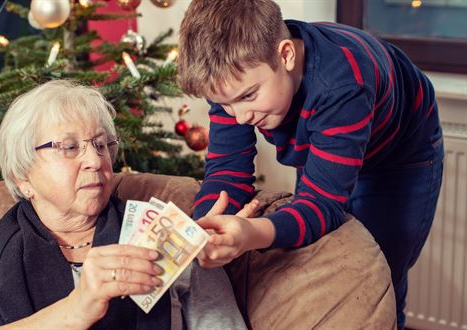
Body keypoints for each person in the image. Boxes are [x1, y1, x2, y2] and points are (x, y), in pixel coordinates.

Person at [178, 1, 444, 328]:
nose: (240, 117)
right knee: (321, 252)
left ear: (286, 55)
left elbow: (321, 203)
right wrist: (202, 227)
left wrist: (250, 234)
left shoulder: (343, 83)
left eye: (249, 97)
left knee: (383, 271)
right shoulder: (231, 80)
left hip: (401, 154)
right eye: (224, 104)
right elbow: (226, 175)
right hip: (330, 134)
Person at [0, 80, 247, 330]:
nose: (95, 160)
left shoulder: (168, 235)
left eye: (101, 145)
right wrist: (77, 308)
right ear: (22, 176)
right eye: (68, 147)